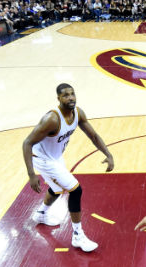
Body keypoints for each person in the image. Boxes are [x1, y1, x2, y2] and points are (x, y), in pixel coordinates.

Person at [22, 83, 114, 252]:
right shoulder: (52, 119)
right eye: (65, 95)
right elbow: (27, 142)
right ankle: (78, 236)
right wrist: (31, 174)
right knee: (75, 190)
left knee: (57, 188)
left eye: (72, 94)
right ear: (59, 99)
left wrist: (108, 154)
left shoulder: (77, 113)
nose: (70, 97)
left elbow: (93, 135)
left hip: (55, 158)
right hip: (42, 160)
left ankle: (41, 214)